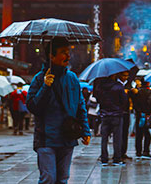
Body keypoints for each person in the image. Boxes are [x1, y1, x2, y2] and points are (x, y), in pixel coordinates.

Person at [27, 37, 91, 184]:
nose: (68, 56)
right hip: (46, 138)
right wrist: (45, 87)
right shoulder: (39, 79)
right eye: (63, 52)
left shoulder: (72, 78)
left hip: (67, 136)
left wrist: (85, 130)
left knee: (63, 179)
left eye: (68, 52)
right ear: (51, 56)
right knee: (48, 179)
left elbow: (80, 106)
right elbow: (33, 107)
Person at [95, 71, 129, 166]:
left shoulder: (100, 86)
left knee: (104, 138)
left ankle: (104, 158)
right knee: (117, 138)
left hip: (105, 115)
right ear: (113, 75)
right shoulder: (118, 86)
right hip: (117, 115)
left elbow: (98, 99)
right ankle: (116, 159)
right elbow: (124, 101)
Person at [130, 77, 151, 159]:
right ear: (147, 83)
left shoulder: (137, 92)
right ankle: (146, 151)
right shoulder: (150, 92)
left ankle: (138, 152)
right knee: (147, 135)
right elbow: (150, 103)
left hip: (138, 114)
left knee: (139, 134)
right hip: (146, 115)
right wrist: (148, 113)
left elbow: (134, 103)